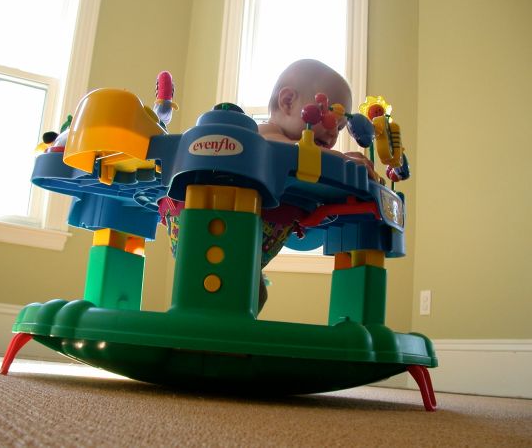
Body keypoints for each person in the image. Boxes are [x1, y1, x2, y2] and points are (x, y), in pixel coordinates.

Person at [159, 59, 377, 312]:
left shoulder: (293, 155)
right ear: (288, 102)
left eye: (340, 127)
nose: (334, 134)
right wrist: (343, 160)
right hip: (206, 223)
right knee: (216, 292)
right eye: (329, 118)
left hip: (241, 243)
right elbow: (293, 152)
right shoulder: (264, 135)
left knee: (251, 296)